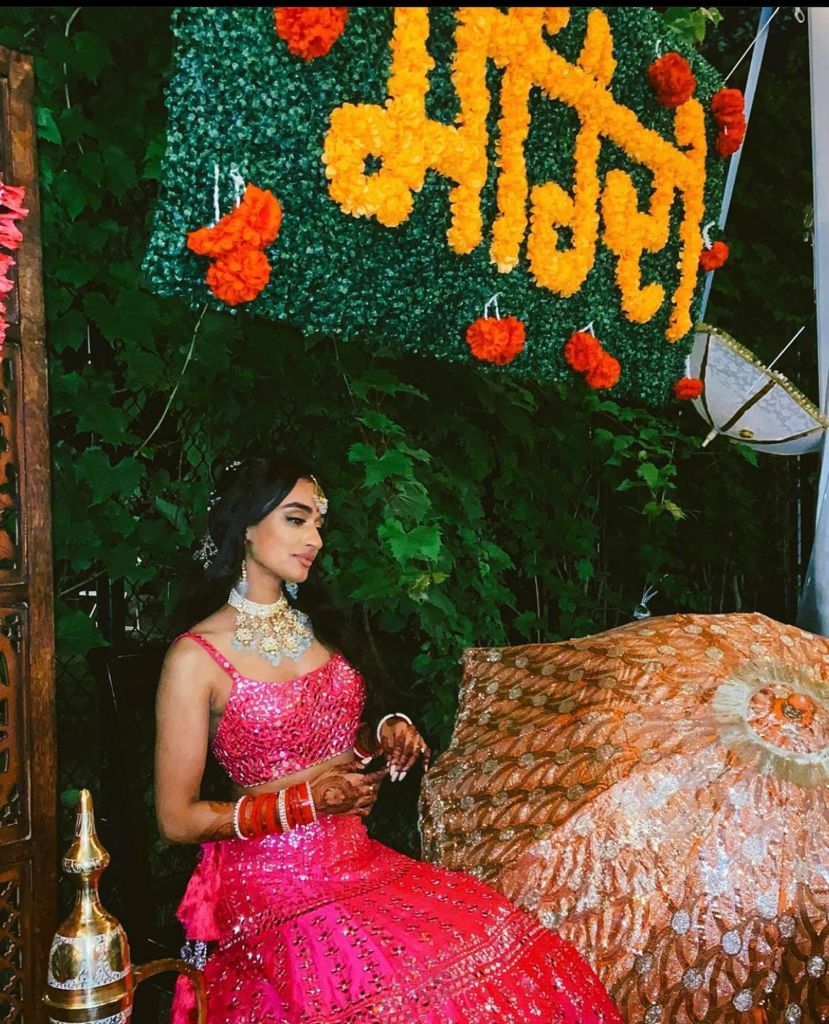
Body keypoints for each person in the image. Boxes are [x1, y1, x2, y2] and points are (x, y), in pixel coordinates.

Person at [155, 453, 623, 1023]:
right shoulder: (196, 657)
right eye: (297, 520)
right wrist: (306, 803)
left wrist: (381, 736)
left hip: (354, 856)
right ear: (245, 526)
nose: (315, 540)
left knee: (506, 946)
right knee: (408, 994)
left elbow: (320, 743)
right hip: (269, 880)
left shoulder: (318, 625)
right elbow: (176, 819)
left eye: (319, 524)